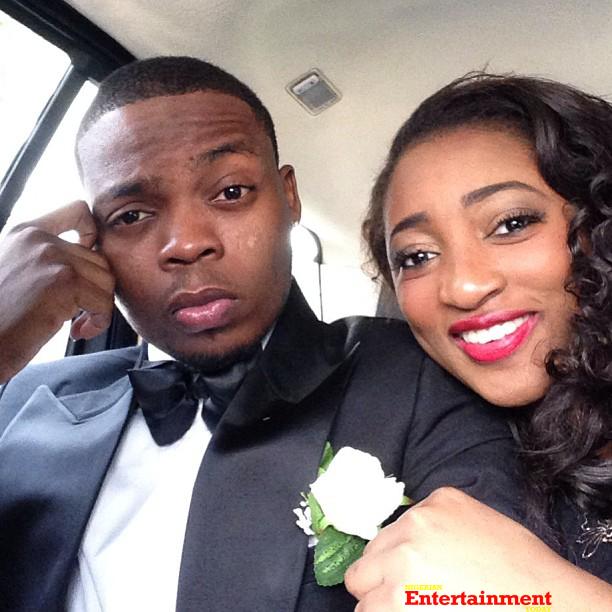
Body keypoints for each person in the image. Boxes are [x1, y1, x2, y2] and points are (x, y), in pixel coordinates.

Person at [0, 58, 522, 612]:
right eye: (131, 216)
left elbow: (502, 589)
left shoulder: (418, 374)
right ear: (92, 243)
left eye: (230, 191)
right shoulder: (31, 396)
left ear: (288, 197)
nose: (187, 243)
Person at [350, 72, 612, 609]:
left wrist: (544, 597)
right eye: (417, 256)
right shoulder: (455, 453)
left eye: (511, 223)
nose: (463, 287)